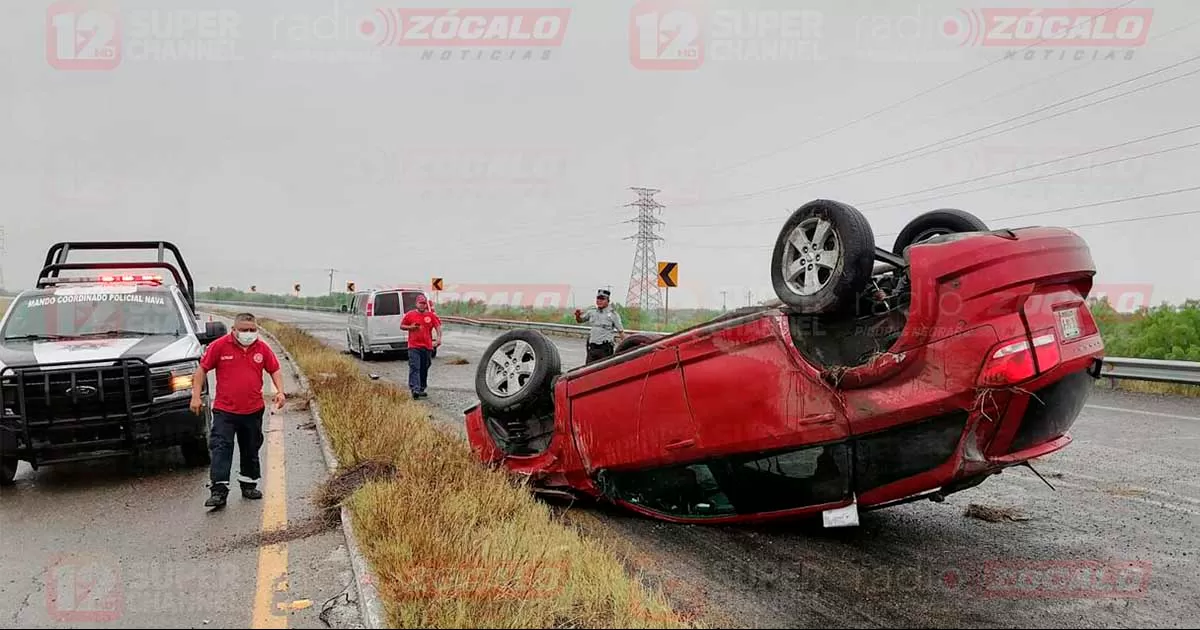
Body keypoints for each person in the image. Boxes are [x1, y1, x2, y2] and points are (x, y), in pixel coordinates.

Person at [190, 313, 285, 508]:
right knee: (221, 448)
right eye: (244, 330)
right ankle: (219, 490)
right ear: (234, 330)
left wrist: (280, 391)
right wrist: (196, 396)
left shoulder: (262, 348)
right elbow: (201, 370)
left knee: (251, 448)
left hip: (253, 410)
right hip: (225, 411)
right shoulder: (219, 346)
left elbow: (274, 369)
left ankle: (249, 484)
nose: (248, 334)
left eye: (252, 330)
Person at [401, 294, 442, 399]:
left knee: (425, 367)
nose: (422, 305)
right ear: (416, 304)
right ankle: (415, 388)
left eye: (424, 303)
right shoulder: (410, 315)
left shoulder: (430, 316)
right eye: (420, 303)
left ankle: (421, 388)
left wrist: (438, 338)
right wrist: (411, 327)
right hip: (414, 346)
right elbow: (402, 326)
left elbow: (437, 326)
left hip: (427, 346)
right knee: (415, 367)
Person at [574, 288, 624, 364]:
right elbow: (580, 320)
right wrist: (577, 316)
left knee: (604, 371)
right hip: (592, 347)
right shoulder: (592, 312)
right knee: (589, 370)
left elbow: (621, 332)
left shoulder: (613, 315)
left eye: (602, 299)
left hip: (605, 348)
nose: (599, 301)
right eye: (598, 298)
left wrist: (626, 345)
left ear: (608, 301)